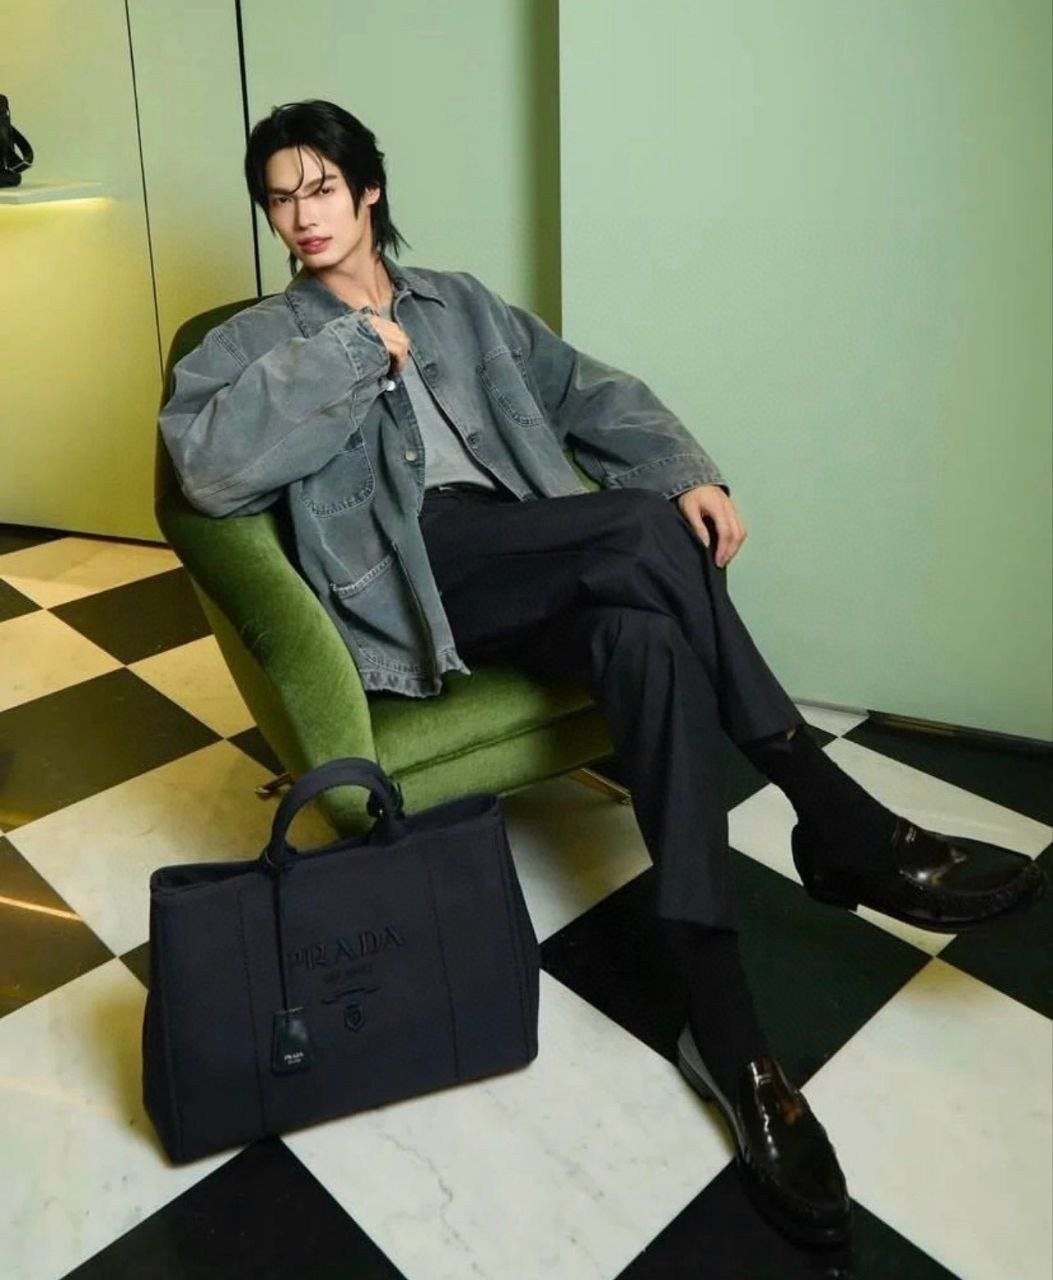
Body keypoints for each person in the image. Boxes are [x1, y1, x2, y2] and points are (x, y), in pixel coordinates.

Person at [159, 99, 1047, 1250]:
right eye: (280, 197)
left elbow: (589, 389)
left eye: (320, 186)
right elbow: (207, 468)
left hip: (532, 557)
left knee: (645, 635)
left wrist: (685, 467)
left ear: (367, 188)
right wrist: (347, 352)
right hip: (420, 576)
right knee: (634, 531)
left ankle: (726, 1032)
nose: (301, 214)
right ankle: (834, 814)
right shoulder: (252, 341)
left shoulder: (464, 303)